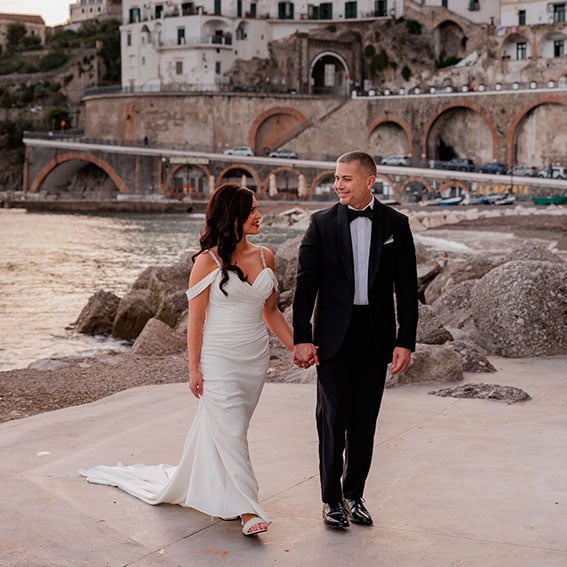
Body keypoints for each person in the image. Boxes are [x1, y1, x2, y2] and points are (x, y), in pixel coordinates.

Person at [81, 183, 294, 537]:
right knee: (228, 429)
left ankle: (222, 493)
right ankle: (247, 508)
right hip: (219, 357)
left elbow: (270, 312)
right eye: (252, 210)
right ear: (233, 217)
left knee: (231, 429)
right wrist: (193, 368)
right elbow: (195, 323)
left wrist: (297, 347)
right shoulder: (206, 263)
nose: (260, 216)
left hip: (254, 357)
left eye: (257, 209)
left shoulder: (266, 257)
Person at [292, 150, 418, 529]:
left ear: (369, 182)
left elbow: (407, 290)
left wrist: (405, 340)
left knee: (365, 422)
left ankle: (354, 494)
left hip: (376, 336)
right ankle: (331, 500)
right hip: (333, 338)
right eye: (336, 178)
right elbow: (304, 287)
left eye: (346, 178)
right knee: (332, 420)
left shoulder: (397, 224)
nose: (338, 185)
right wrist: (302, 337)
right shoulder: (320, 224)